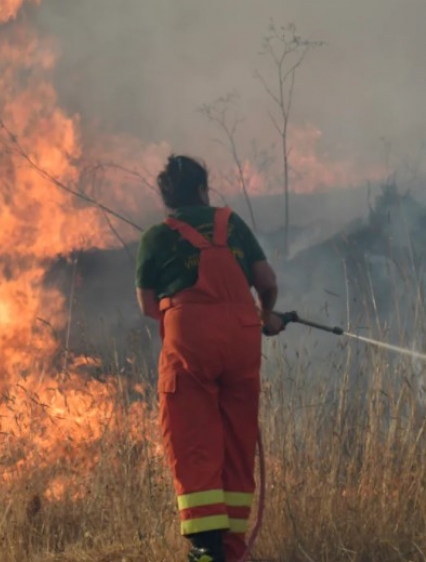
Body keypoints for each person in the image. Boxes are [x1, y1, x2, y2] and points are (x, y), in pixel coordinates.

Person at [135, 154, 285, 562]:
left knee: (192, 434)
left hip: (191, 342)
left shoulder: (155, 237)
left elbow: (148, 306)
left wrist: (188, 316)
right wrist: (266, 314)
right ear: (203, 189)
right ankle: (233, 551)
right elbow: (267, 281)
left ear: (167, 199)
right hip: (242, 338)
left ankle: (206, 549)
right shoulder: (230, 223)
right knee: (238, 440)